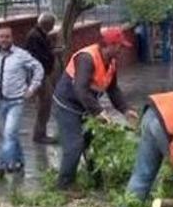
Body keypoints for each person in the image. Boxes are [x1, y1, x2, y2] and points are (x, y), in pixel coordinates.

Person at [53, 27, 139, 190]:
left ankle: (97, 180)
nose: (121, 50)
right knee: (75, 145)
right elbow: (80, 89)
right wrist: (98, 111)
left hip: (85, 106)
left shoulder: (111, 62)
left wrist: (126, 109)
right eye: (120, 46)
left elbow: (113, 89)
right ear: (110, 45)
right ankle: (64, 186)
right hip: (67, 106)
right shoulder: (87, 58)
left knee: (93, 144)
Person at [0, 26, 44, 177]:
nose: (4, 39)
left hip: (16, 102)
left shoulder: (21, 55)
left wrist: (32, 88)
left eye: (7, 36)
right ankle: (19, 162)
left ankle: (2, 164)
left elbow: (38, 69)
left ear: (12, 38)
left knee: (9, 134)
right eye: (1, 36)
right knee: (10, 135)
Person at [24, 12, 58, 144]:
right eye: (52, 24)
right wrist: (53, 54)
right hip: (39, 75)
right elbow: (39, 56)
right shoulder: (35, 36)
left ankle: (41, 133)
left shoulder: (39, 35)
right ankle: (39, 134)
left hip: (41, 74)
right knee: (45, 103)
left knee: (45, 103)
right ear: (48, 24)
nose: (53, 27)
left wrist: (53, 52)